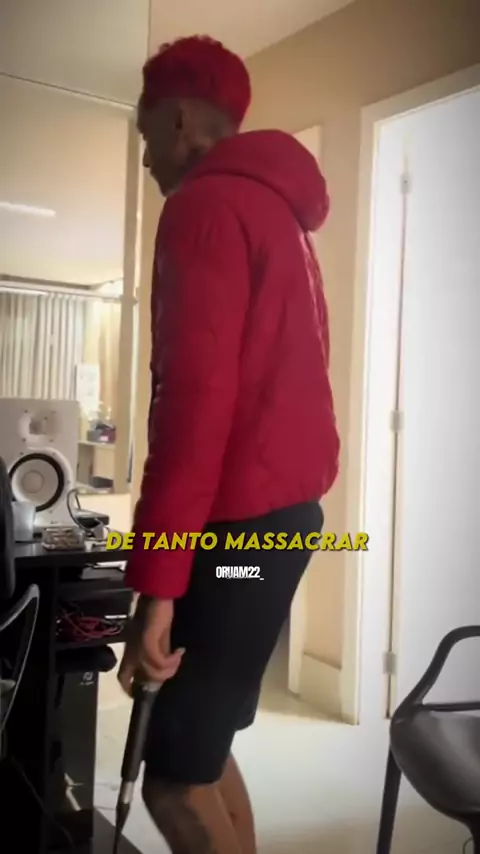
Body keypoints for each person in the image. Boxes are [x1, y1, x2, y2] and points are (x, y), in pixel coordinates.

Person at [118, 35, 339, 854]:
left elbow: (192, 410)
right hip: (276, 536)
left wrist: (158, 589)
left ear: (179, 120)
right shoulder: (280, 215)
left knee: (174, 780)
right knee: (203, 753)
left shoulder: (204, 208)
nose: (146, 157)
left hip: (237, 543)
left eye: (146, 134)